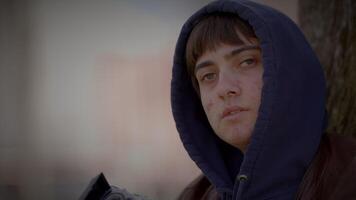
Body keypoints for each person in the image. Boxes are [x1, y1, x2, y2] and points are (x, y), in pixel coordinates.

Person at [171, 0, 356, 199]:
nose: (224, 89)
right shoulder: (194, 196)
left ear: (288, 70)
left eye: (246, 62)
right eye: (208, 76)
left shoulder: (349, 178)